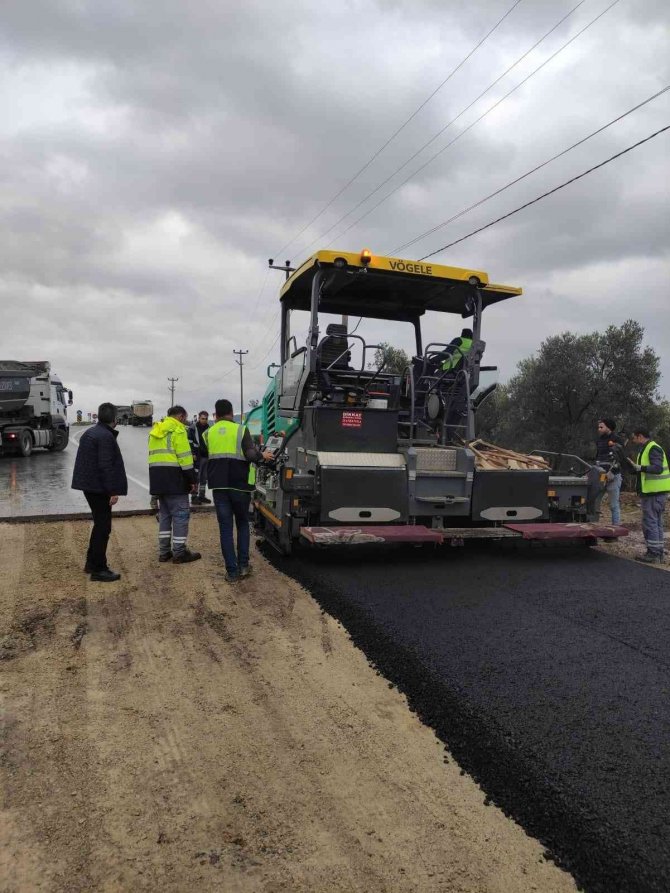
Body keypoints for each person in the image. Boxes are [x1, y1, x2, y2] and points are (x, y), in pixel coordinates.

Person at [205, 399, 273, 582]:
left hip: (219, 488)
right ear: (231, 412)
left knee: (225, 529)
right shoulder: (241, 430)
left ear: (216, 414)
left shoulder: (208, 433)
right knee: (242, 524)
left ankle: (232, 572)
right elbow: (251, 455)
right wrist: (263, 455)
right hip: (240, 487)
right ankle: (243, 566)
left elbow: (204, 457)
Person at [71, 402, 128, 582]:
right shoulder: (105, 436)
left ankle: (91, 563)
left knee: (99, 525)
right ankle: (99, 569)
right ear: (114, 419)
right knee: (103, 527)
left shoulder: (92, 432)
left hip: (90, 486)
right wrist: (112, 491)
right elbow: (105, 466)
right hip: (98, 488)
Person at [148, 405, 201, 564]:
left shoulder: (155, 431)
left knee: (165, 516)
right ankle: (179, 553)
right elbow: (185, 459)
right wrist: (192, 480)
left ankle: (164, 552)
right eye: (184, 418)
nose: (185, 422)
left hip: (158, 481)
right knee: (180, 516)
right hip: (175, 481)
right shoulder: (178, 431)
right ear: (180, 417)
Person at [627, 427, 670, 564]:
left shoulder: (653, 448)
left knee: (651, 523)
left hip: (654, 492)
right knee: (655, 523)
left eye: (634, 437)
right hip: (653, 492)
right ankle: (657, 553)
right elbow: (645, 470)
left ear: (640, 436)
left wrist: (641, 468)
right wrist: (636, 469)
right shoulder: (646, 448)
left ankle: (654, 554)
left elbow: (657, 468)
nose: (633, 440)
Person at [595, 418, 626, 525]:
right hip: (600, 476)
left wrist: (612, 472)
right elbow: (598, 457)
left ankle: (615, 530)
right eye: (598, 427)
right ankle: (592, 528)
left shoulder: (617, 439)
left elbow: (621, 458)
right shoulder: (599, 440)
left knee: (613, 505)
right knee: (593, 502)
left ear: (608, 427)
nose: (599, 429)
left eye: (601, 427)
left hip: (613, 476)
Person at [188, 410, 211, 505]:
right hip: (197, 456)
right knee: (196, 477)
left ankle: (202, 495)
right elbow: (189, 442)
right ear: (198, 418)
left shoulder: (209, 428)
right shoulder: (193, 428)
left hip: (206, 456)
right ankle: (194, 496)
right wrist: (192, 453)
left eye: (206, 419)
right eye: (202, 418)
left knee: (204, 477)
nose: (204, 420)